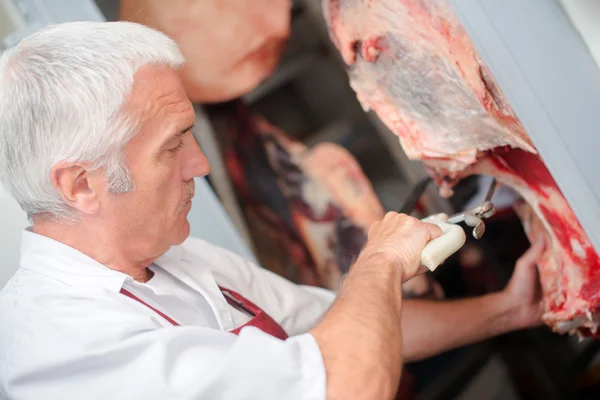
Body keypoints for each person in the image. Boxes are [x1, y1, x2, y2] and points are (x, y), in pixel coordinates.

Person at [0, 21, 545, 400]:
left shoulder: (180, 259)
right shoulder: (58, 347)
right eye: (172, 146)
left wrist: (510, 309)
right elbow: (337, 383)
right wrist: (380, 261)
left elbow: (339, 327)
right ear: (80, 185)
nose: (200, 165)